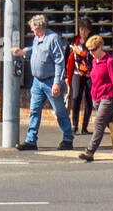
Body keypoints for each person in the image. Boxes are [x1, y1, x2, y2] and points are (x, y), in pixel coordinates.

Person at [12, 15, 74, 150]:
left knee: (59, 111)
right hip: (37, 81)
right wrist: (22, 52)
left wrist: (57, 83)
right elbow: (34, 51)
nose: (32, 30)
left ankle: (68, 138)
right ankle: (31, 140)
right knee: (34, 110)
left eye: (33, 28)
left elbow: (59, 60)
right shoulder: (37, 38)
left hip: (51, 80)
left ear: (39, 27)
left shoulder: (53, 39)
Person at [79, 35, 113, 162]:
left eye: (93, 49)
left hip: (108, 97)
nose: (91, 53)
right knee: (111, 124)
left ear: (101, 47)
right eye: (89, 50)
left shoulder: (109, 61)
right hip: (97, 97)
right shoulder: (94, 61)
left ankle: (90, 151)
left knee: (98, 123)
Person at [66, 21, 94, 135]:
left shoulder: (92, 41)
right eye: (81, 29)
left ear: (89, 30)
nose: (82, 32)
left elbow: (92, 57)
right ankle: (74, 125)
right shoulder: (74, 41)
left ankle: (85, 127)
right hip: (77, 73)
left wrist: (81, 53)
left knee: (89, 100)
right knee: (76, 97)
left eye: (85, 29)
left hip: (89, 75)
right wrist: (66, 76)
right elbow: (67, 58)